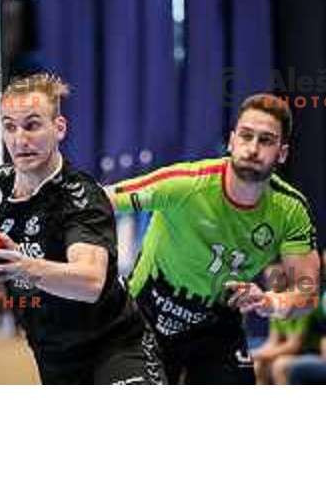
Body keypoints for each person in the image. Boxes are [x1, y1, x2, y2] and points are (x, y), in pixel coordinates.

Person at [107, 93, 320, 384]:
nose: (253, 148)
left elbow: (306, 291)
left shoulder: (292, 210)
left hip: (218, 325)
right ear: (232, 142)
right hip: (147, 316)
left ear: (282, 153)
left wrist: (271, 301)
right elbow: (100, 200)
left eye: (266, 140)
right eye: (246, 136)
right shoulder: (185, 185)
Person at [0, 73, 164, 385]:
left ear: (59, 128)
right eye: (9, 126)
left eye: (32, 125)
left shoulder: (81, 195)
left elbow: (90, 281)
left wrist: (24, 267)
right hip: (53, 354)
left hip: (114, 345)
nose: (20, 139)